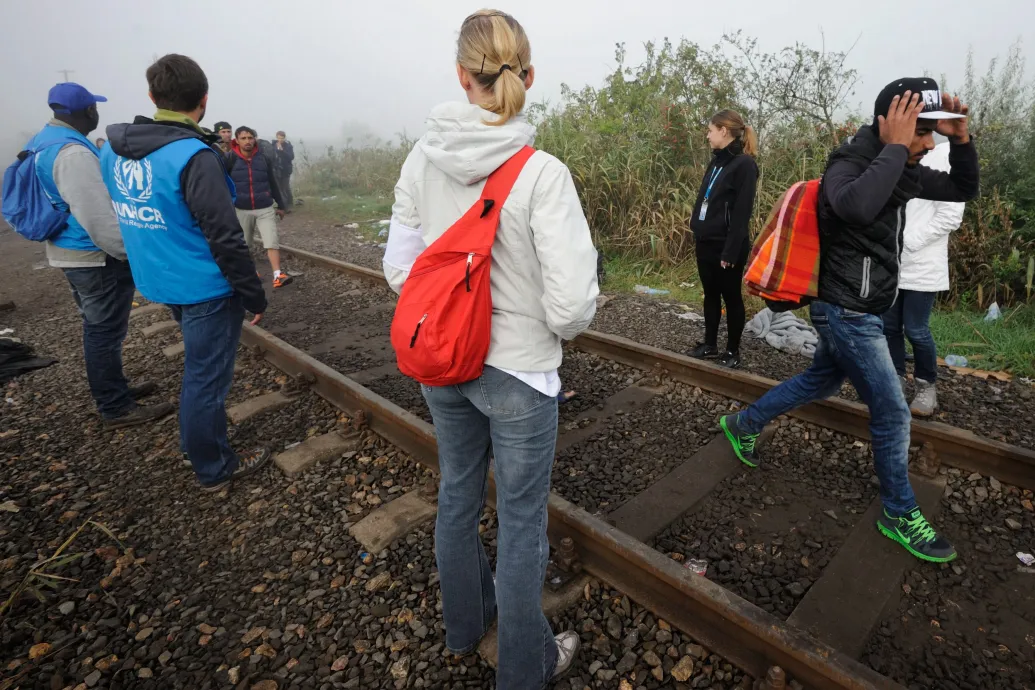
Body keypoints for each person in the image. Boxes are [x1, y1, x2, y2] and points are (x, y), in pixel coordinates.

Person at [382, 10, 597, 688]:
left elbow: (399, 270)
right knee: (522, 522)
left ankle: (462, 628)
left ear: (460, 75)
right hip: (519, 376)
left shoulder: (421, 159)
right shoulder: (542, 174)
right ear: (527, 76)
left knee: (456, 494)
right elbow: (568, 306)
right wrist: (540, 331)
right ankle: (524, 669)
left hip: (441, 362)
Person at [720, 77, 979, 563]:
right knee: (893, 410)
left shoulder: (904, 164)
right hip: (844, 309)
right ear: (889, 124)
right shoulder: (850, 163)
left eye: (931, 136)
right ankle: (899, 511)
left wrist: (960, 140)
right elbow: (855, 204)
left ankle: (743, 423)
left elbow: (964, 187)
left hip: (866, 305)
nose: (928, 145)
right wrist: (899, 148)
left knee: (819, 379)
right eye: (921, 134)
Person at [100, 54, 271, 492]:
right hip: (204, 288)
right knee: (206, 379)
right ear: (204, 101)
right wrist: (254, 293)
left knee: (199, 372)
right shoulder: (193, 156)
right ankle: (213, 466)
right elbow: (225, 236)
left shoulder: (111, 152)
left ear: (153, 97)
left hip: (159, 279)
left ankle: (195, 443)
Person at [25, 83, 172, 429]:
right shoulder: (73, 154)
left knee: (100, 329)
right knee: (103, 332)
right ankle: (115, 407)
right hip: (91, 256)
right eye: (94, 108)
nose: (97, 113)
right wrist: (130, 254)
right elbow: (97, 217)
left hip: (70, 250)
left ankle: (115, 391)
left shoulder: (44, 141)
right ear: (87, 111)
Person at [883, 141, 964, 416]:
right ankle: (894, 382)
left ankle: (926, 386)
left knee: (916, 330)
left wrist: (907, 241)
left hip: (923, 264)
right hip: (891, 263)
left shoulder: (943, 156)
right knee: (889, 327)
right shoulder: (897, 152)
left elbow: (950, 216)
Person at [687, 110, 759, 369]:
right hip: (706, 240)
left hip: (728, 245)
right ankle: (710, 344)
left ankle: (732, 350)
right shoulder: (717, 161)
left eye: (710, 130)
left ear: (723, 131)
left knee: (731, 296)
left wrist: (730, 251)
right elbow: (706, 198)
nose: (707, 135)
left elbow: (742, 213)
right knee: (710, 295)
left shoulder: (745, 165)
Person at [227, 126, 292, 288]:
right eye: (243, 138)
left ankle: (278, 275)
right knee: (245, 245)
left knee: (271, 241)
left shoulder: (263, 158)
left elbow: (272, 182)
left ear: (255, 139)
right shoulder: (229, 159)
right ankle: (252, 273)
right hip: (241, 208)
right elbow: (223, 184)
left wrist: (281, 205)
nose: (248, 141)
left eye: (250, 137)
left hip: (265, 207)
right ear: (237, 140)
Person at [272, 131, 295, 211]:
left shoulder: (288, 146)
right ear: (276, 137)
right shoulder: (273, 145)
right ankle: (286, 203)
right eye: (278, 138)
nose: (280, 140)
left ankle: (287, 205)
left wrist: (282, 151)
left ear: (284, 138)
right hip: (277, 169)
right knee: (280, 188)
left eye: (282, 138)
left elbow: (291, 157)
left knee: (284, 187)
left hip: (286, 169)